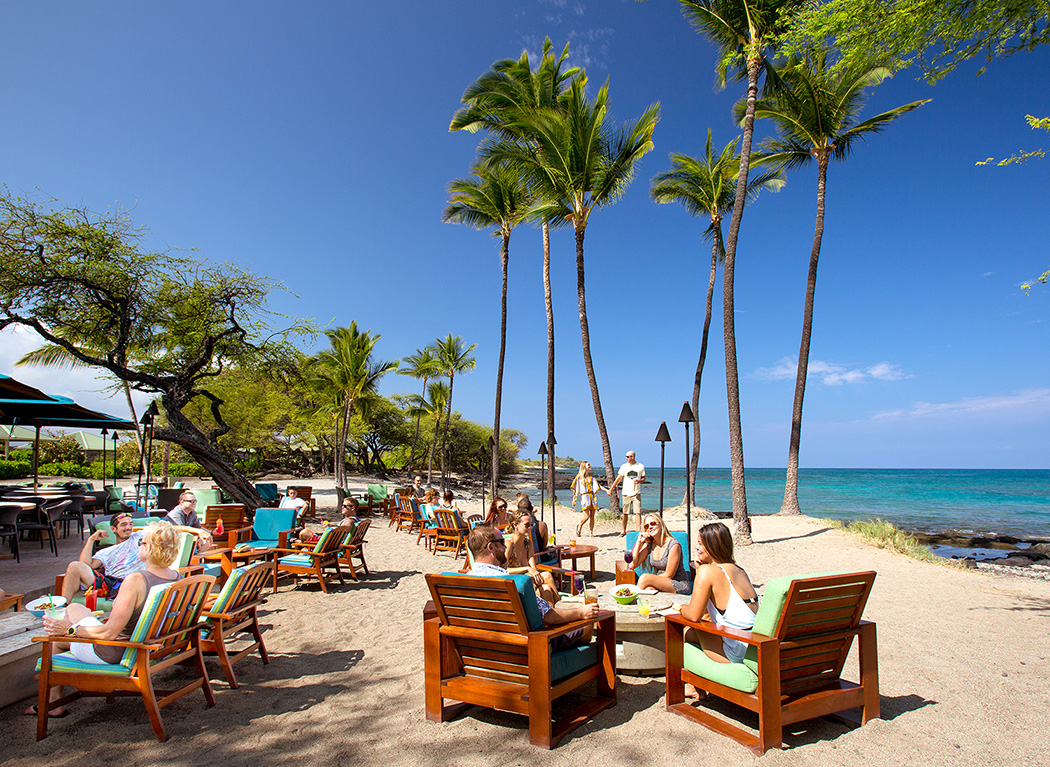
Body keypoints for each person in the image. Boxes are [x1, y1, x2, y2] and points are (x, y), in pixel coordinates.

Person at [28, 522, 183, 717]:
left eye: (141, 542)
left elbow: (109, 633)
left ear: (151, 548)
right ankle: (55, 701)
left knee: (57, 639)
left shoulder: (136, 580)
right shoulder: (177, 578)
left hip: (116, 652)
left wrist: (69, 630)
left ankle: (52, 704)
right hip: (150, 647)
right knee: (74, 608)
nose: (139, 546)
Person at [466, 523, 597, 648]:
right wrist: (581, 612)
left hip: (480, 647)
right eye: (502, 542)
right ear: (491, 547)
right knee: (587, 625)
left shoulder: (464, 580)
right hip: (529, 647)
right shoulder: (514, 582)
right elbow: (548, 617)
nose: (505, 547)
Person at [680, 522, 759, 667]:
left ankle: (689, 681)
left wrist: (681, 609)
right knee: (691, 634)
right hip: (753, 646)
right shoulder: (739, 570)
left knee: (683, 632)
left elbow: (693, 615)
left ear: (713, 546)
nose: (696, 547)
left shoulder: (707, 571)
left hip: (735, 648)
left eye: (701, 544)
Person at [59, 513, 146, 603]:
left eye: (130, 524)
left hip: (135, 582)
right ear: (113, 529)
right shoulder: (105, 552)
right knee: (74, 566)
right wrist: (91, 540)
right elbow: (86, 565)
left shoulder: (139, 537)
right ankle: (63, 605)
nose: (128, 528)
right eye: (123, 525)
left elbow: (155, 530)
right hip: (112, 585)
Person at [615, 514, 690, 594]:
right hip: (660, 582)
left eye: (653, 523)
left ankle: (631, 597)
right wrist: (639, 542)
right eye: (647, 526)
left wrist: (649, 580)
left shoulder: (673, 545)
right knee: (648, 589)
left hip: (677, 583)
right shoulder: (650, 545)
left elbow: (669, 575)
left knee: (644, 578)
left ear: (661, 525)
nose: (650, 527)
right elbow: (632, 565)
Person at [504, 508, 559, 605]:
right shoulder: (509, 544)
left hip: (526, 580)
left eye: (531, 524)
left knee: (546, 586)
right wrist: (527, 569)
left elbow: (534, 569)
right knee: (545, 579)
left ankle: (556, 608)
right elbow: (503, 570)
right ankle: (559, 607)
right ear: (516, 525)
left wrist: (533, 573)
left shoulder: (528, 544)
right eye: (527, 525)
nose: (530, 527)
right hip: (512, 582)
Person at [610, 451, 646, 535]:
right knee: (625, 513)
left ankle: (638, 530)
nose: (626, 458)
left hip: (636, 493)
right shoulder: (624, 466)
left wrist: (639, 481)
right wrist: (611, 488)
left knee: (637, 512)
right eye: (626, 456)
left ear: (632, 457)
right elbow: (618, 478)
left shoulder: (640, 466)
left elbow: (643, 478)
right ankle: (623, 530)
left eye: (628, 457)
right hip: (626, 493)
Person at [571, 461, 606, 538]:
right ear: (584, 467)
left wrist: (607, 490)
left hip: (592, 497)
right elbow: (575, 488)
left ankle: (591, 532)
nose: (590, 466)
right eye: (588, 465)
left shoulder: (592, 477)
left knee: (592, 516)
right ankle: (580, 525)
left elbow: (598, 486)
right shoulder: (579, 477)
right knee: (586, 517)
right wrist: (574, 499)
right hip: (584, 498)